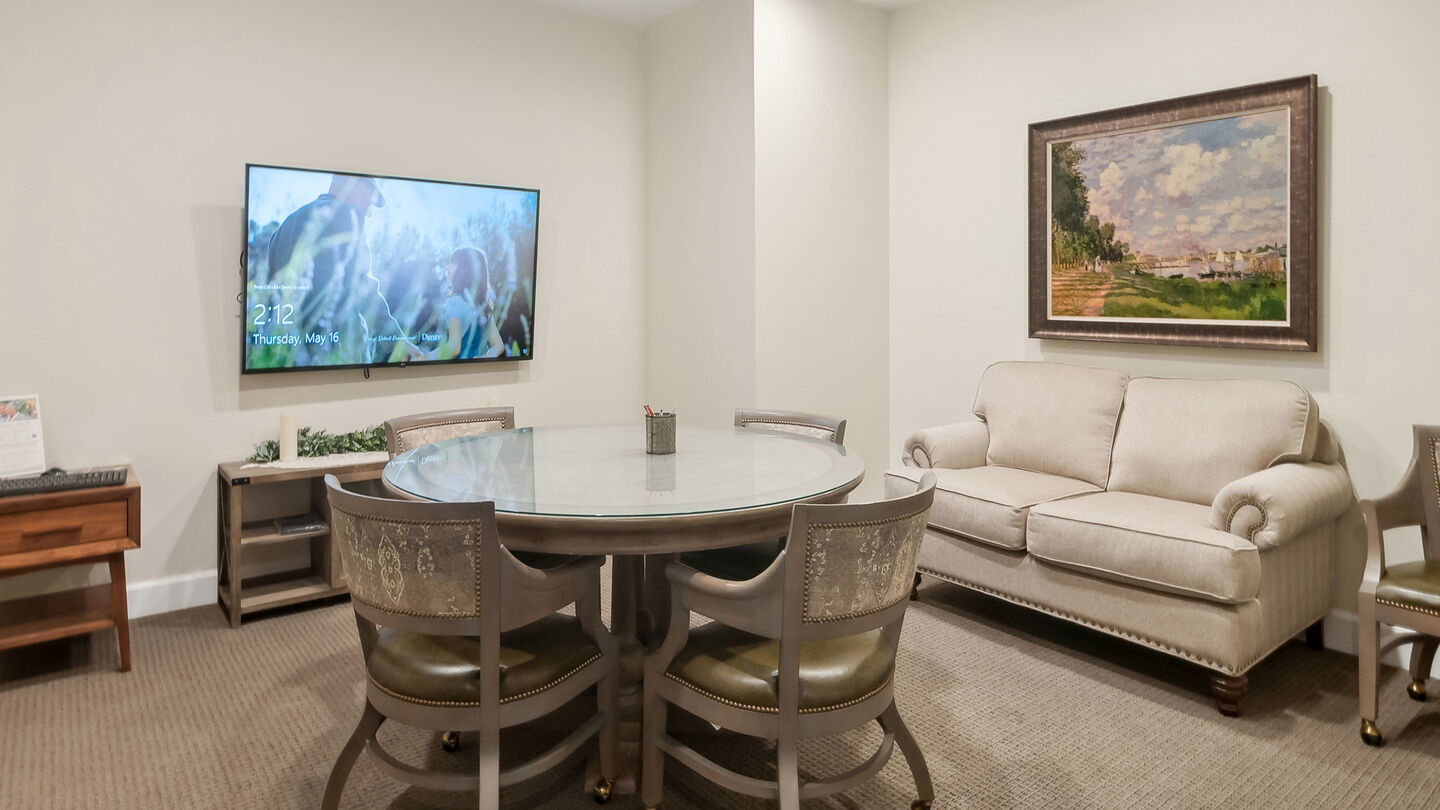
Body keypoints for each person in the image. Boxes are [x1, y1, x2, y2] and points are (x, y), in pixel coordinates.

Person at [266, 174, 421, 364]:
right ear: (354, 188)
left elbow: (270, 298)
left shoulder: (283, 228)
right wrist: (398, 342)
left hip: (280, 358)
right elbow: (364, 292)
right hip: (332, 360)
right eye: (369, 200)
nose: (369, 212)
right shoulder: (346, 216)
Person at [435, 247, 505, 360]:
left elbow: (454, 348)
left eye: (453, 263)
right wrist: (483, 359)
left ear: (464, 271)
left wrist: (425, 357)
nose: (448, 267)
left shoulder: (455, 302)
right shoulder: (483, 305)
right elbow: (498, 345)